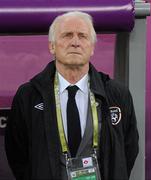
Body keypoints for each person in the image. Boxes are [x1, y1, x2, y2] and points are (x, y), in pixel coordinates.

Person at [5, 11, 139, 180]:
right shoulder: (28, 96)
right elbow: (17, 154)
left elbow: (128, 150)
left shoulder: (117, 94)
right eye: (67, 35)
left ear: (92, 48)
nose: (75, 42)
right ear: (52, 46)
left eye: (82, 36)